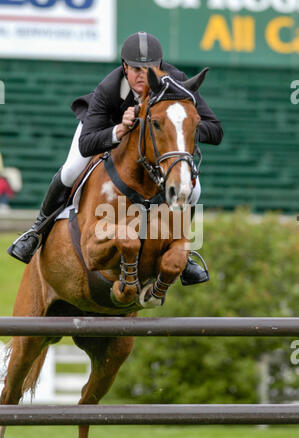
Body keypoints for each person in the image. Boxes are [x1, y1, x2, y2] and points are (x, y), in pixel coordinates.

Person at [7, 32, 223, 286]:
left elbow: (215, 130)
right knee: (71, 170)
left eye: (150, 68)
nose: (142, 75)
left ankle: (183, 255)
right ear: (124, 67)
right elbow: (87, 143)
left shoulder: (177, 83)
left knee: (194, 190)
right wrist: (118, 131)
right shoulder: (110, 88)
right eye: (135, 69)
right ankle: (37, 231)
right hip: (104, 128)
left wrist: (177, 126)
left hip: (155, 143)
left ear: (161, 66)